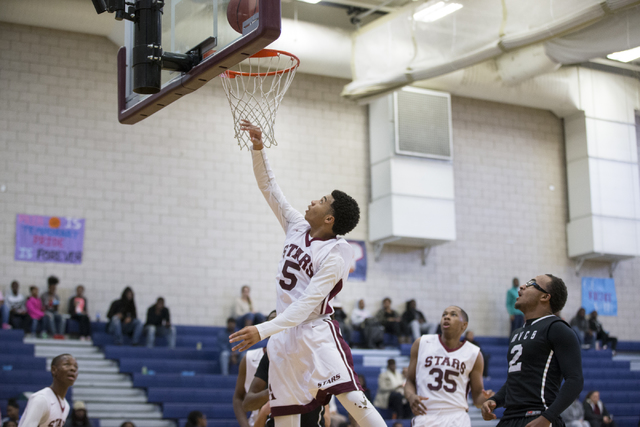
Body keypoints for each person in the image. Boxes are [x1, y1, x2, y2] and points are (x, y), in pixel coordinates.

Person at [230, 120, 386, 427]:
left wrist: (262, 329)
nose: (314, 200)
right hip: (284, 338)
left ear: (329, 218)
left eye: (322, 201)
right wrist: (258, 147)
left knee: (353, 400)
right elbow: (270, 188)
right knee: (287, 416)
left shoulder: (339, 252)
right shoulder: (296, 226)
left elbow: (307, 303)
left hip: (315, 333)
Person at [482, 274, 584, 427]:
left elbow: (575, 380)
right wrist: (495, 400)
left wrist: (548, 417)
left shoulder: (557, 328)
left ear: (545, 296)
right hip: (509, 418)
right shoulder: (517, 333)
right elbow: (515, 380)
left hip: (538, 415)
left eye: (531, 284)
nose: (522, 286)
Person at [405, 306, 493, 426]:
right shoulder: (422, 343)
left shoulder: (474, 353)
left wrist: (488, 399)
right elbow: (410, 380)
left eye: (453, 315)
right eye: (444, 314)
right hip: (426, 414)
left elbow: (477, 397)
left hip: (456, 417)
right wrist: (410, 396)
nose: (446, 317)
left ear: (464, 325)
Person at [243, 350, 329, 427]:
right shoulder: (271, 355)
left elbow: (327, 421)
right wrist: (273, 392)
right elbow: (247, 404)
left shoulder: (317, 356)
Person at [233, 310, 277, 427]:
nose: (274, 321)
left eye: (278, 319)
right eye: (271, 319)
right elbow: (238, 397)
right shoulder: (249, 358)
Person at [18, 353, 78, 427]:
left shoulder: (66, 405)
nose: (73, 369)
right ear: (54, 370)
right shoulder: (41, 399)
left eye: (76, 366)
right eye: (67, 364)